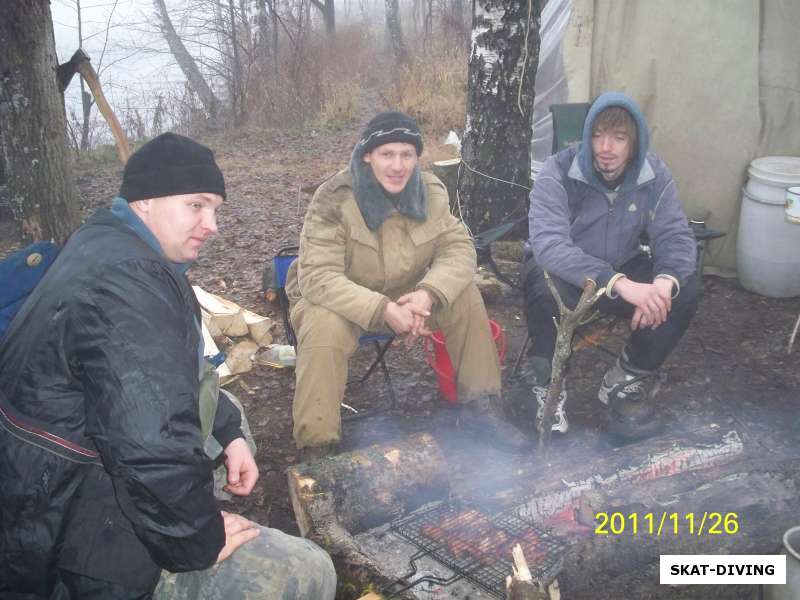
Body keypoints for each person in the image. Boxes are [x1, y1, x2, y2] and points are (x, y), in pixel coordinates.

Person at [0, 133, 336, 599]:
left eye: (215, 208)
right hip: (62, 531)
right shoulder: (127, 283)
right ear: (144, 202)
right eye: (196, 205)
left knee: (231, 409)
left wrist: (229, 431)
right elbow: (149, 445)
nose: (212, 224)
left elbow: (176, 372)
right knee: (306, 569)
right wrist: (199, 542)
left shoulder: (109, 246)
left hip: (58, 470)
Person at [286, 111, 531, 458]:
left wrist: (427, 294)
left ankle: (482, 408)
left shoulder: (429, 190)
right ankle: (318, 446)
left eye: (407, 155)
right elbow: (317, 277)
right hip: (343, 300)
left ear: (417, 157)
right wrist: (382, 309)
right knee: (321, 326)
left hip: (409, 296)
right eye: (387, 154)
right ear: (367, 155)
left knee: (466, 295)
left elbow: (458, 248)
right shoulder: (334, 198)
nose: (397, 166)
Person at [523, 92, 700, 437]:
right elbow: (549, 244)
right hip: (566, 273)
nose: (606, 147)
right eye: (598, 135)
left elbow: (675, 235)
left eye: (619, 138)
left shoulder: (653, 174)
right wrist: (617, 282)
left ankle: (626, 376)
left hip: (622, 262)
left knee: (684, 287)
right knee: (546, 290)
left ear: (635, 143)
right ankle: (548, 386)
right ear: (587, 136)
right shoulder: (557, 171)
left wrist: (662, 285)